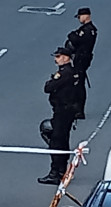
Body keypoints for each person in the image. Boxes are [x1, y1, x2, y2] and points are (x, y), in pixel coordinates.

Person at [38, 46, 83, 185]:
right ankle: (62, 170)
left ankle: (56, 172)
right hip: (67, 111)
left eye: (58, 57)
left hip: (62, 111)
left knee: (57, 141)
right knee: (62, 140)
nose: (55, 59)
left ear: (66, 57)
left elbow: (48, 87)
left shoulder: (65, 73)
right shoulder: (73, 72)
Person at [66, 7, 97, 120]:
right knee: (77, 83)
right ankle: (76, 108)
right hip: (81, 58)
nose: (79, 19)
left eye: (80, 16)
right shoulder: (85, 29)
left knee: (79, 84)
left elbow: (75, 39)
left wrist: (72, 35)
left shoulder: (88, 30)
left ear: (86, 15)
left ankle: (79, 110)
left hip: (82, 59)